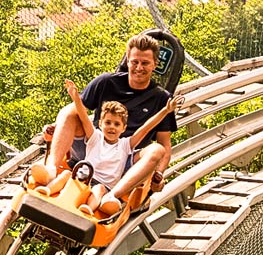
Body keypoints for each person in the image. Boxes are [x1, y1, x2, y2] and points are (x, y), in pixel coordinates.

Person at [31, 33, 178, 204]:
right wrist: (56, 126)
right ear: (127, 61)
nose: (139, 67)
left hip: (125, 156)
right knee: (68, 112)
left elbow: (165, 145)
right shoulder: (106, 82)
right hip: (93, 146)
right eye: (134, 62)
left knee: (156, 149)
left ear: (155, 65)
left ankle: (113, 196)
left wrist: (159, 174)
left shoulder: (161, 98)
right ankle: (51, 169)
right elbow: (75, 110)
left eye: (145, 63)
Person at [59, 79, 179, 215]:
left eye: (116, 124)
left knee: (99, 190)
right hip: (84, 176)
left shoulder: (125, 145)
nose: (112, 127)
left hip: (102, 184)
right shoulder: (95, 137)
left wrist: (165, 111)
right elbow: (84, 116)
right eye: (108, 123)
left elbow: (146, 128)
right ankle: (49, 189)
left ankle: (88, 209)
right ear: (100, 124)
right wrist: (75, 96)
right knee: (65, 175)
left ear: (124, 128)